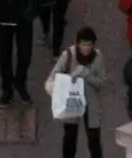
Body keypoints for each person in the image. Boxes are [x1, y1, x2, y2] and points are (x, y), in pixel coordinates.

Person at [45, 25, 107, 158]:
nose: (86, 48)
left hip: (91, 105)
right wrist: (54, 89)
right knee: (69, 138)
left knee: (94, 141)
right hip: (72, 101)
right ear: (78, 44)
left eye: (89, 44)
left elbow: (101, 82)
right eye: (84, 44)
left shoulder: (98, 57)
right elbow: (53, 76)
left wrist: (85, 73)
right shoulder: (68, 55)